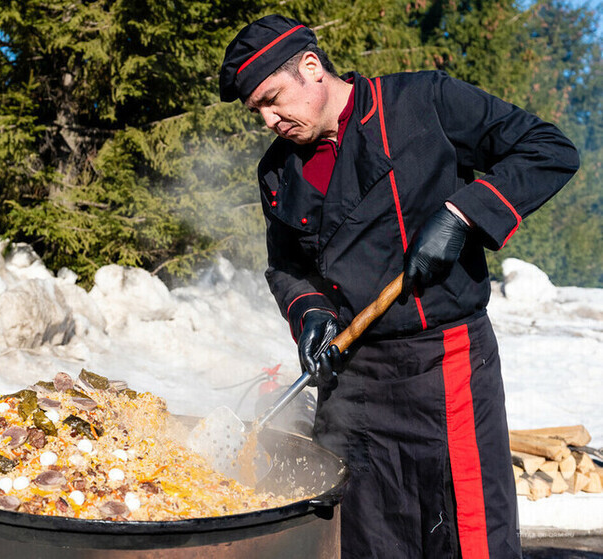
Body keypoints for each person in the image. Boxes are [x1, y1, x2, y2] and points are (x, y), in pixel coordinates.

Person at [219, 14, 579, 559]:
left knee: (466, 534)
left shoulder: (422, 103)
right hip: (352, 384)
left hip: (443, 367)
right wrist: (310, 311)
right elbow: (285, 266)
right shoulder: (277, 172)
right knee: (363, 537)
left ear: (311, 68)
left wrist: (461, 215)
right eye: (257, 112)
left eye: (273, 98)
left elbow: (549, 149)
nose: (269, 119)